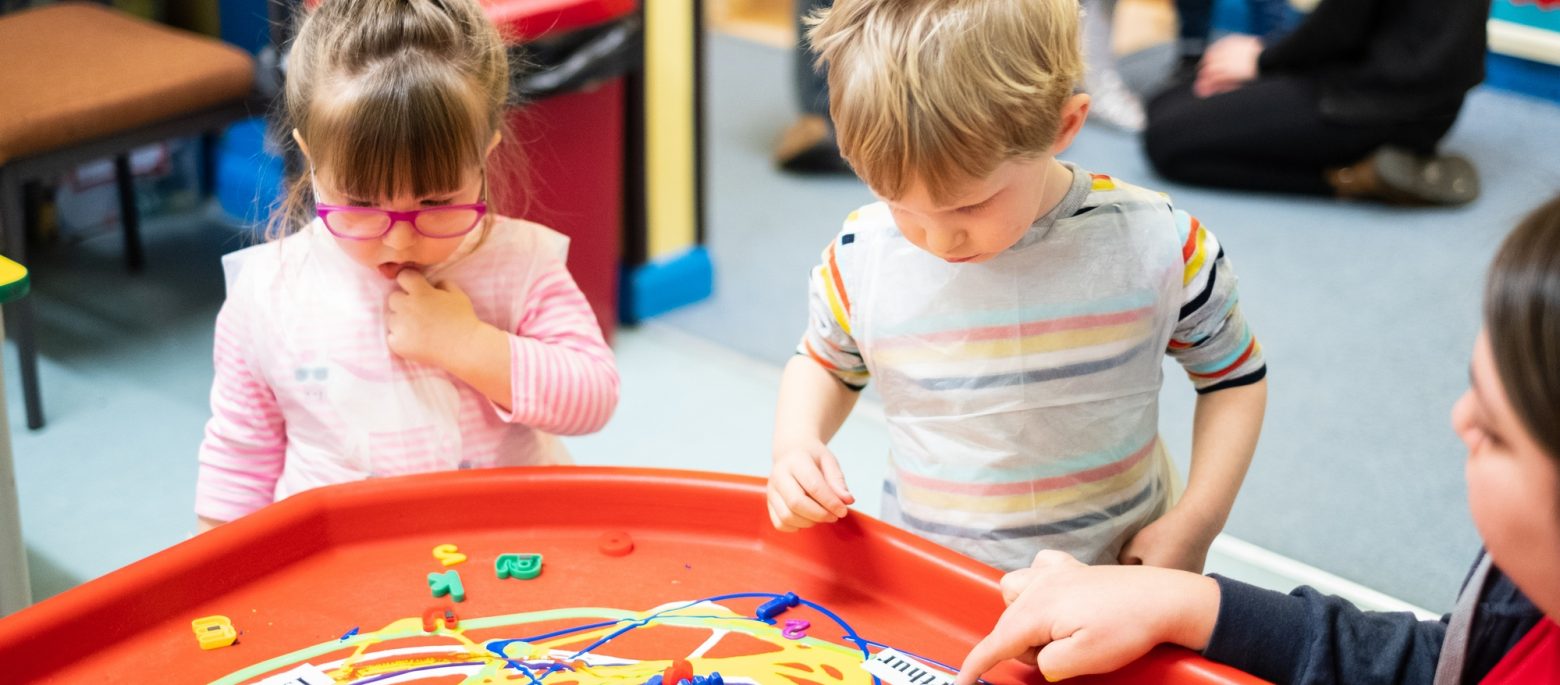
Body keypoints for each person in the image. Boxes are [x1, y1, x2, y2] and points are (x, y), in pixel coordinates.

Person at [955, 196, 1560, 684]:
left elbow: (1233, 375)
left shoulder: (1162, 242)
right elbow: (1443, 666)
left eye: (1496, 433)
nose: (1459, 419)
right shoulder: (1528, 601)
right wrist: (1184, 603)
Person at [767, 0, 1269, 574]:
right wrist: (796, 444)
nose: (939, 238)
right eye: (899, 203)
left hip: (1115, 583)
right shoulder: (861, 257)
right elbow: (826, 363)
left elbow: (1234, 378)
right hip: (934, 578)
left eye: (970, 204)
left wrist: (1197, 522)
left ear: (1064, 126)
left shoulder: (1159, 244)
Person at [194, 0, 620, 531]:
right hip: (344, 561)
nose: (399, 240)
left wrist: (466, 344)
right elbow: (238, 463)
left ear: (484, 152)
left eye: (438, 202)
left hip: (510, 546)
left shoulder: (519, 264)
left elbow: (594, 396)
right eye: (362, 204)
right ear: (310, 153)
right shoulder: (268, 294)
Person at [1144, 0, 1491, 205]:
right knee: (1164, 104)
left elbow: (1339, 27)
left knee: (1166, 143)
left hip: (1375, 103)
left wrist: (1263, 61)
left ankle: (1351, 179)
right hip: (1424, 99)